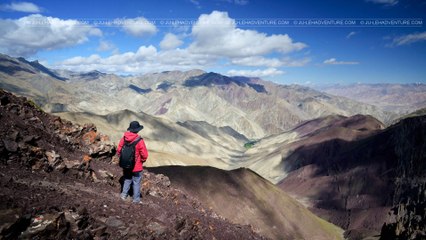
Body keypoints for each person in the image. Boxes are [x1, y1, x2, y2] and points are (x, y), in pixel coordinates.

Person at [117, 121, 148, 204]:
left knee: (127, 179)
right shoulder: (139, 140)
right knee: (136, 182)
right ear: (137, 130)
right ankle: (136, 199)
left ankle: (123, 195)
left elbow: (119, 149)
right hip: (136, 166)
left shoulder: (124, 138)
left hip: (125, 164)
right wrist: (142, 160)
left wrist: (124, 158)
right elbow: (144, 154)